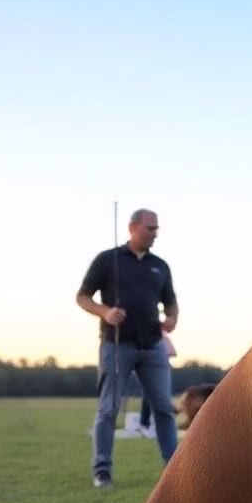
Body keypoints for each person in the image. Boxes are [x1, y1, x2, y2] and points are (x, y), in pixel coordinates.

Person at [76, 208, 179, 488]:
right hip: (117, 345)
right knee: (108, 409)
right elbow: (82, 296)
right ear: (133, 227)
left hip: (153, 346)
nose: (155, 233)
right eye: (150, 228)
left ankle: (174, 469)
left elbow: (171, 303)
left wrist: (172, 319)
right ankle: (102, 471)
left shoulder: (160, 266)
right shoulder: (108, 260)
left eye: (156, 229)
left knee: (164, 408)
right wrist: (105, 312)